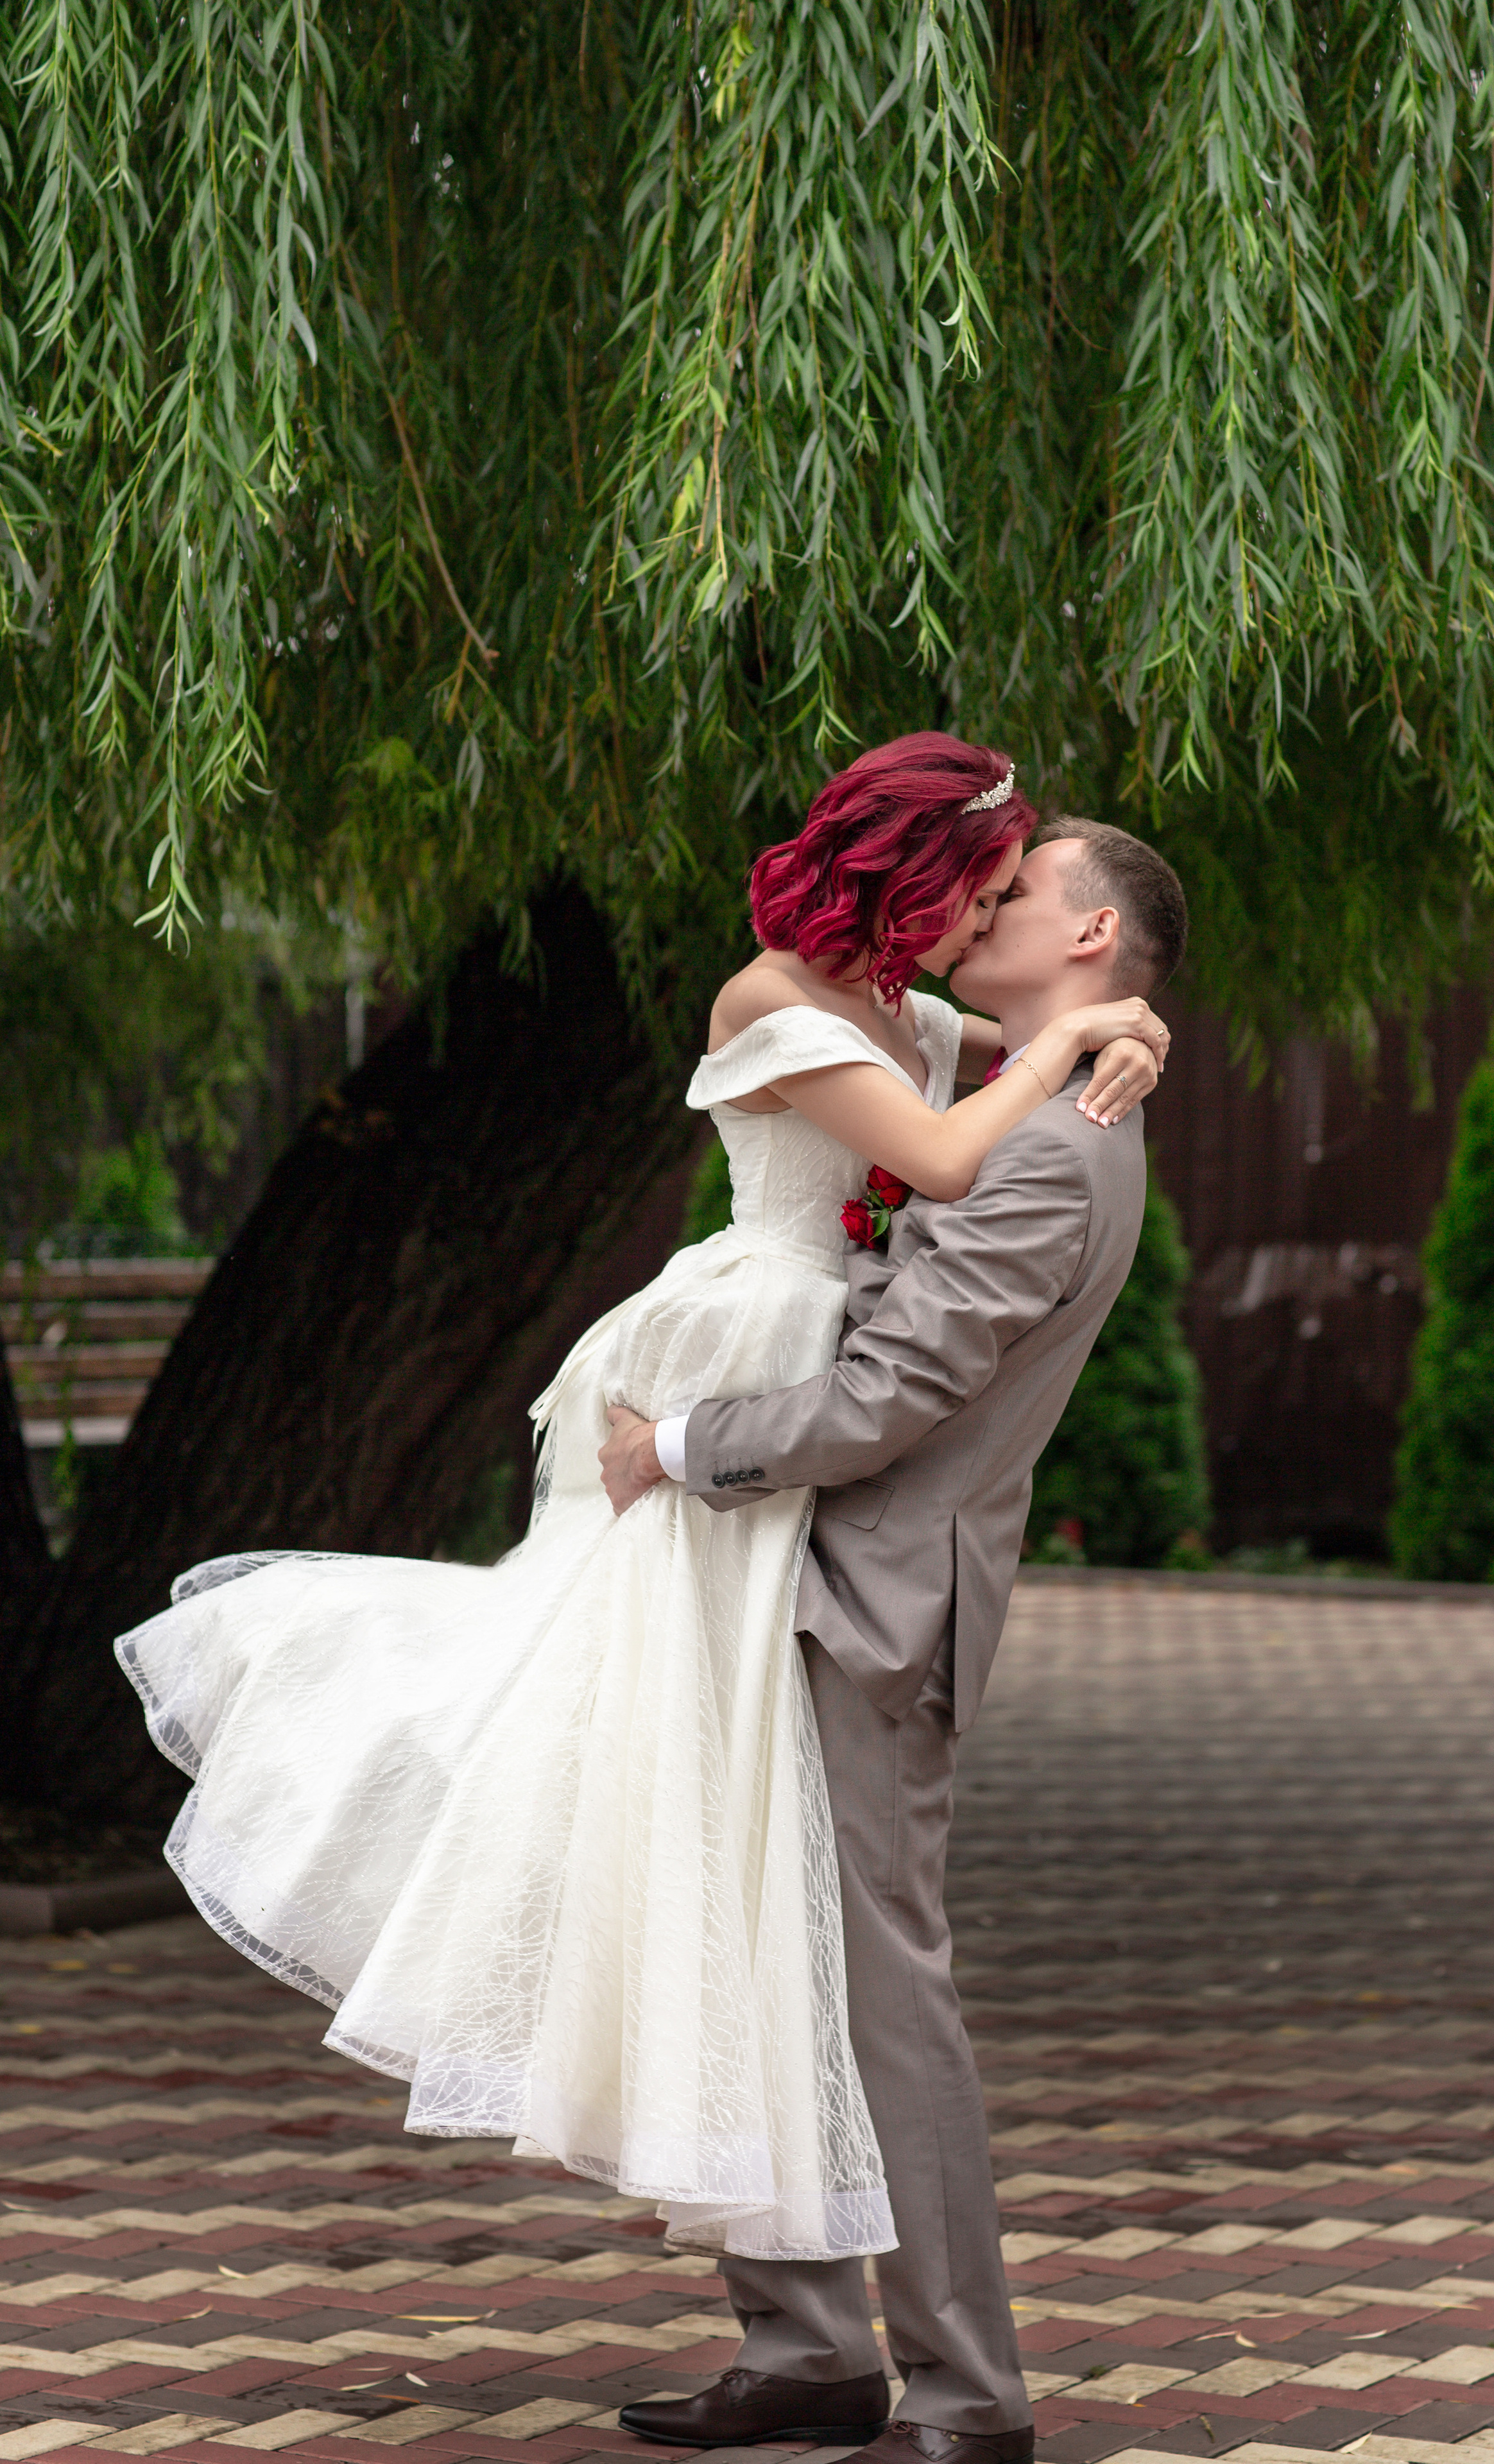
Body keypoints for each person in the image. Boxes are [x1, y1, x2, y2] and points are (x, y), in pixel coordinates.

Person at [112, 735, 1166, 2277]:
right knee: (632, 1740)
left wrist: (1097, 1034)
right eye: (977, 887)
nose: (984, 913)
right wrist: (1084, 1043)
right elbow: (942, 1155)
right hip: (740, 1352)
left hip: (798, 1409)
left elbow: (975, 1132)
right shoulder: (777, 1000)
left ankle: (831, 2339)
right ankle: (792, 2318)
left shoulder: (909, 1017)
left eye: (1015, 892)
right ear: (915, 874)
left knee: (731, 1824)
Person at [599, 814, 1189, 2464]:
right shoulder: (1011, 1076)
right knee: (752, 1957)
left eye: (1016, 891)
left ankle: (963, 2395)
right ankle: (801, 2351)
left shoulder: (1061, 1146)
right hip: (790, 1573)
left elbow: (885, 1397)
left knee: (878, 1995)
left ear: (1086, 940)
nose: (981, 903)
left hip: (870, 1599)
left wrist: (680, 1446)